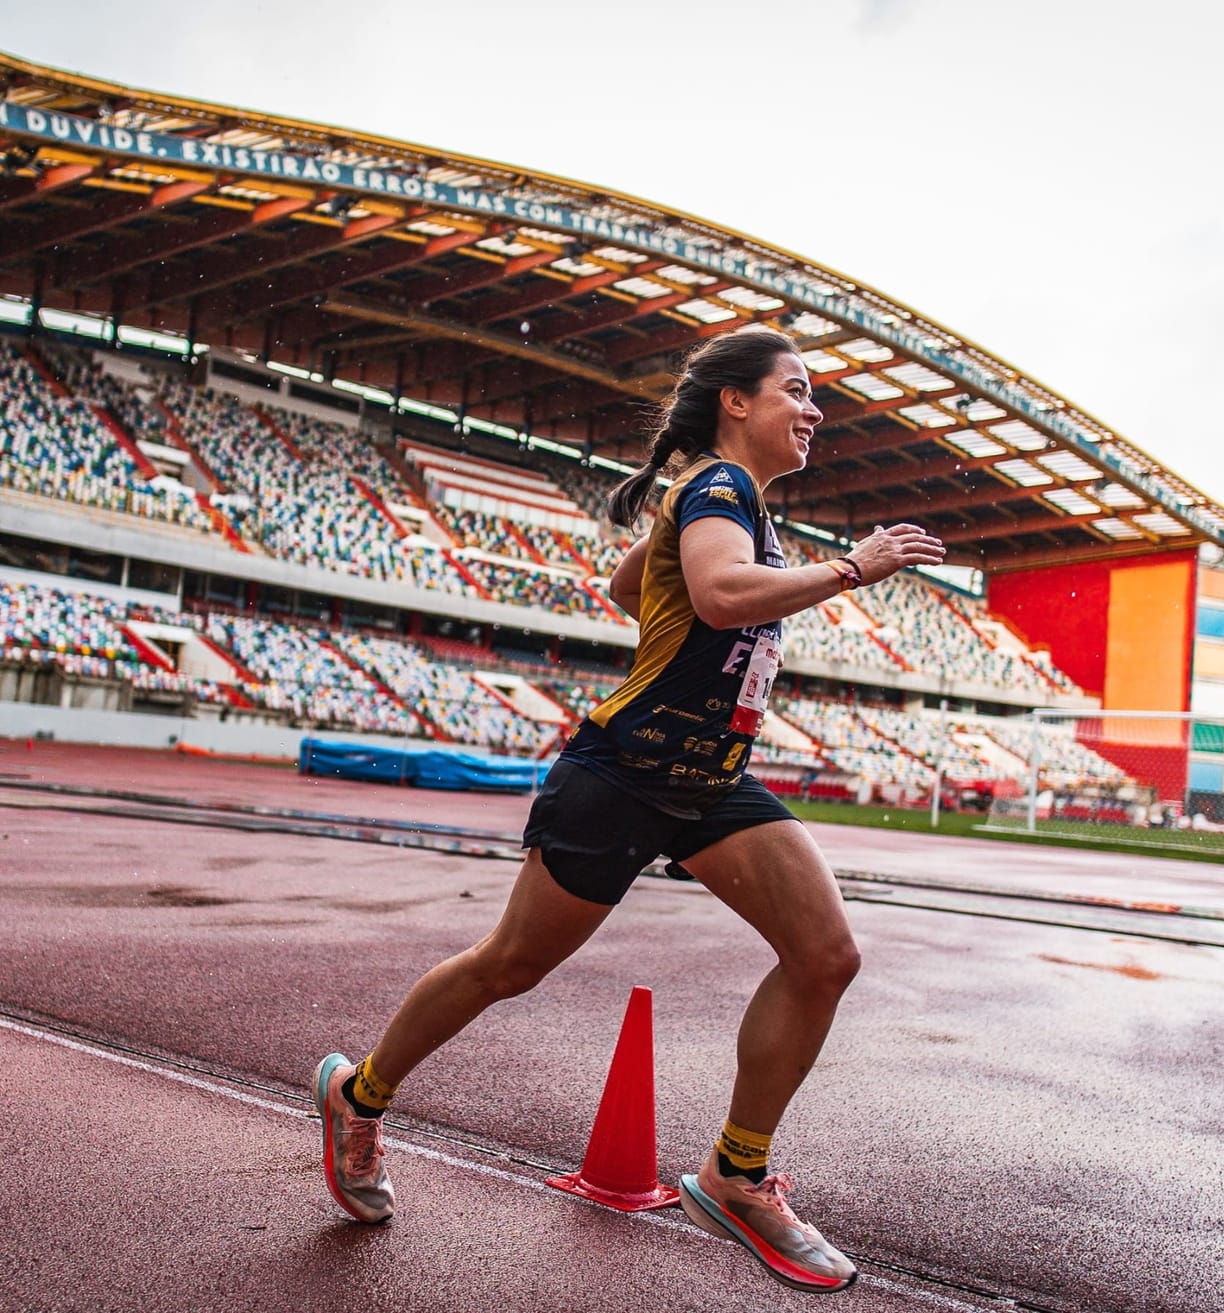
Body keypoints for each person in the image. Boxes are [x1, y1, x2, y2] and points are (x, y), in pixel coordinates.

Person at [315, 323, 946, 1293]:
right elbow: (724, 593)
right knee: (508, 964)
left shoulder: (727, 502)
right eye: (798, 389)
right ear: (736, 401)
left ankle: (737, 1172)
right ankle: (359, 1096)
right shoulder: (722, 489)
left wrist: (666, 558)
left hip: (709, 779)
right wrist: (851, 567)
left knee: (826, 953)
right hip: (626, 770)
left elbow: (632, 582)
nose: (814, 408)